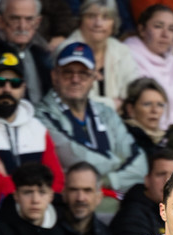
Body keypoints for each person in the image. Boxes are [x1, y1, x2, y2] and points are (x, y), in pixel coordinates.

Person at [38, 40, 147, 194]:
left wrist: (109, 180)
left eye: (83, 73)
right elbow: (75, 157)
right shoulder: (41, 115)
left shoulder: (106, 112)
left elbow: (140, 163)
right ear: (55, 75)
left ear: (94, 77)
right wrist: (119, 167)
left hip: (117, 199)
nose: (75, 79)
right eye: (68, 72)